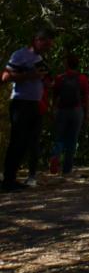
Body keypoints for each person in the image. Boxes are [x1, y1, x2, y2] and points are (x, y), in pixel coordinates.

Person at [3, 29, 54, 191]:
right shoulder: (20, 55)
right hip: (21, 103)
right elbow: (5, 77)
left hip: (35, 104)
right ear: (36, 40)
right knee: (17, 142)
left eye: (49, 45)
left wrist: (46, 83)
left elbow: (44, 78)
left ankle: (13, 179)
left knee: (28, 142)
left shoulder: (39, 59)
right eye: (45, 44)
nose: (47, 47)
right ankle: (8, 181)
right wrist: (28, 75)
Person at [48, 54, 89, 176]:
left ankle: (55, 156)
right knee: (72, 140)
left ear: (66, 64)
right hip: (76, 111)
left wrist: (52, 111)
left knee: (60, 137)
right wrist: (87, 113)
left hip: (62, 111)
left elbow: (54, 96)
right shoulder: (82, 78)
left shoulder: (59, 78)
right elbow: (87, 97)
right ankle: (67, 170)